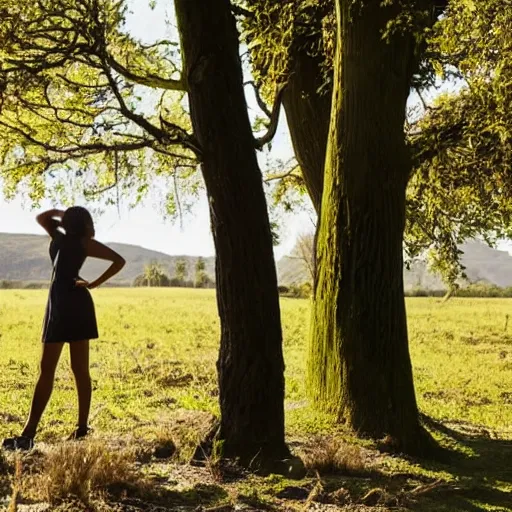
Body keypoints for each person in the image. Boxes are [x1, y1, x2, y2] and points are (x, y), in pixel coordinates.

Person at [2, 206, 125, 451]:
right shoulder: (72, 240)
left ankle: (80, 430)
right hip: (61, 306)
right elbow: (42, 218)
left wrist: (93, 284)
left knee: (76, 369)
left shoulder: (70, 240)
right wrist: (67, 213)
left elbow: (119, 261)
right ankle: (30, 434)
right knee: (51, 369)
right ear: (84, 223)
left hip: (71, 305)